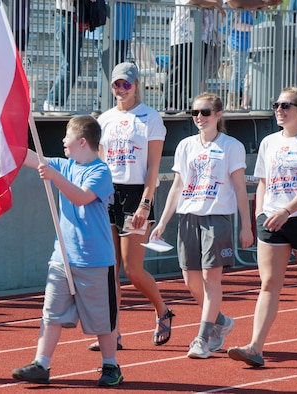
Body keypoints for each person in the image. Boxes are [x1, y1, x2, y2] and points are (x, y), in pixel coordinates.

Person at [11, 115, 123, 387]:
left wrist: (55, 177)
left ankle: (111, 366)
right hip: (62, 257)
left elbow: (81, 196)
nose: (62, 141)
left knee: (102, 319)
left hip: (94, 259)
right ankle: (42, 363)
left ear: (82, 142)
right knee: (51, 313)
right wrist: (5, 144)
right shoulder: (66, 165)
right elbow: (32, 157)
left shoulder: (100, 171)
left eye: (67, 136)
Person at [228, 87, 297, 367]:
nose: (279, 110)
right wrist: (260, 214)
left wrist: (288, 210)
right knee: (268, 284)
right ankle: (255, 347)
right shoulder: (269, 142)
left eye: (286, 106)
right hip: (273, 220)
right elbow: (263, 182)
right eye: (277, 104)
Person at [150, 92, 254, 359]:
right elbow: (177, 186)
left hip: (217, 218)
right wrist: (162, 222)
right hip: (188, 217)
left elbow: (241, 189)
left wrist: (246, 226)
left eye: (205, 112)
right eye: (194, 112)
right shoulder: (186, 145)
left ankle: (202, 338)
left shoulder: (232, 146)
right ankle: (220, 321)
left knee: (211, 280)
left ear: (218, 115)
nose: (199, 117)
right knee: (190, 280)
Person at [88, 62, 173, 352]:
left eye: (126, 84)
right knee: (108, 269)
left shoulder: (150, 118)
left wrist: (146, 203)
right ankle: (113, 332)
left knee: (133, 270)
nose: (121, 89)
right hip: (108, 195)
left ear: (136, 85)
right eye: (116, 84)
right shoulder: (105, 119)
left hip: (136, 195)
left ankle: (163, 310)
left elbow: (152, 167)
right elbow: (100, 162)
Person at [166, 0, 225, 111]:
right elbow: (191, 1)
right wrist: (212, 3)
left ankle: (186, 104)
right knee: (178, 71)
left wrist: (212, 3)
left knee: (195, 75)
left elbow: (219, 2)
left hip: (204, 37)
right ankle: (171, 105)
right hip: (184, 36)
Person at [43, 0, 86, 112]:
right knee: (70, 65)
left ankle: (55, 103)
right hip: (65, 18)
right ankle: (53, 102)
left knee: (74, 65)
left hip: (76, 19)